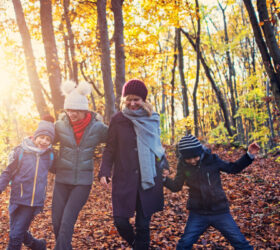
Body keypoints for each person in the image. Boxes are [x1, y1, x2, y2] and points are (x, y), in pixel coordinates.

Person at [99, 79, 167, 249]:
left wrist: (164, 165)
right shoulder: (118, 119)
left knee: (143, 226)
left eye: (136, 99)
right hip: (124, 177)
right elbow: (110, 148)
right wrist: (104, 171)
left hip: (149, 177)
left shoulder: (152, 118)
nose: (132, 103)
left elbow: (156, 147)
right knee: (120, 221)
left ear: (143, 100)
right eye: (129, 99)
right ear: (124, 99)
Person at [163, 134, 260, 250]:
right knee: (184, 244)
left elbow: (233, 168)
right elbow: (176, 186)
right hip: (198, 213)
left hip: (220, 212)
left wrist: (249, 156)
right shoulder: (183, 166)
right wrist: (164, 179)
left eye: (195, 157)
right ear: (183, 158)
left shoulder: (213, 160)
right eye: (188, 158)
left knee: (240, 243)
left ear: (200, 152)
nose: (192, 161)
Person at [52, 80, 108, 250]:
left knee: (67, 223)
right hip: (62, 180)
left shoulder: (98, 128)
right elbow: (44, 140)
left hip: (82, 183)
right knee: (56, 222)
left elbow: (115, 141)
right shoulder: (59, 126)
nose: (71, 113)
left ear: (84, 110)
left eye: (75, 110)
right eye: (68, 109)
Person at [0, 115, 55, 250]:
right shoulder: (21, 151)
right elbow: (8, 171)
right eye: (42, 137)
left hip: (31, 202)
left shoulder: (49, 155)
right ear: (35, 136)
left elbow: (60, 169)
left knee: (15, 235)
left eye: (48, 139)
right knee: (17, 230)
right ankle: (38, 245)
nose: (44, 141)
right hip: (16, 199)